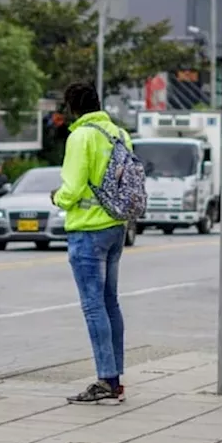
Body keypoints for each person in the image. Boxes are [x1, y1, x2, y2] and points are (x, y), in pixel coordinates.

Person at [51, 82, 130, 404]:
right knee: (111, 303)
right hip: (116, 226)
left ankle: (106, 381)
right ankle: (116, 378)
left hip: (88, 229)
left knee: (93, 305)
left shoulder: (81, 136)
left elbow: (72, 187)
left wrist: (58, 197)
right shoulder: (119, 134)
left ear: (73, 107)